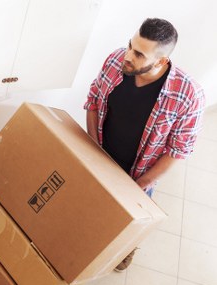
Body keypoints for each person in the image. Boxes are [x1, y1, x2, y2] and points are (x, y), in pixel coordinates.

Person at [84, 18, 205, 271]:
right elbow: (94, 100)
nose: (127, 56)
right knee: (95, 211)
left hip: (139, 174)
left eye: (138, 54)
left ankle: (127, 248)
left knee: (127, 224)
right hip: (103, 155)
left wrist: (140, 185)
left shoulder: (188, 95)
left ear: (161, 61)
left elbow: (178, 151)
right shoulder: (116, 60)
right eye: (130, 45)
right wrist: (94, 150)